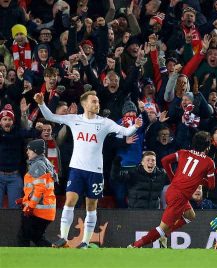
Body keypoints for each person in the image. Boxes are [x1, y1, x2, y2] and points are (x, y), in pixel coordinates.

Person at [34, 91, 142, 249]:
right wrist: (41, 103)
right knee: (69, 201)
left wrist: (135, 126)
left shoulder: (105, 122)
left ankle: (85, 242)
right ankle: (63, 237)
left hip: (95, 172)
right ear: (84, 104)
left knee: (91, 206)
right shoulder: (74, 119)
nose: (97, 104)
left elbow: (125, 132)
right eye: (94, 101)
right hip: (77, 169)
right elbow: (51, 117)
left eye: (98, 101)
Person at [129, 131, 216, 248]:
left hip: (172, 190)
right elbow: (211, 186)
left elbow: (164, 160)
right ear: (207, 147)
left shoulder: (183, 153)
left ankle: (166, 234)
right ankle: (134, 246)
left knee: (190, 215)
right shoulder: (209, 162)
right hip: (179, 198)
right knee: (161, 229)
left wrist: (172, 177)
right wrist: (200, 179)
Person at [17, 139, 57, 247]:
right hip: (47, 209)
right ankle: (55, 249)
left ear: (35, 150)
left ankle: (21, 261)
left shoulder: (37, 165)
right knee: (37, 237)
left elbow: (40, 188)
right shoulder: (46, 162)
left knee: (23, 236)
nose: (27, 152)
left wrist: (30, 206)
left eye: (29, 150)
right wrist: (25, 199)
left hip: (37, 210)